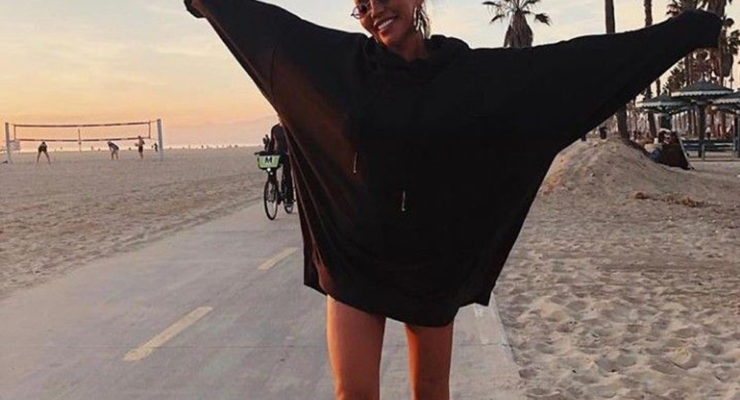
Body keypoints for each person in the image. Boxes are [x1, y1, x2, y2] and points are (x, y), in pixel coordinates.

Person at [185, 1, 720, 398]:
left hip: (431, 263)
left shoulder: (468, 77)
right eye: (362, 5)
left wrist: (686, 32)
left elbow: (573, 69)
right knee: (353, 394)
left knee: (430, 394)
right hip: (354, 258)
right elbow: (268, 35)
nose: (374, 10)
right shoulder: (339, 66)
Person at [268, 122, 294, 203]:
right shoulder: (275, 128)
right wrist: (268, 153)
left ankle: (289, 197)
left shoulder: (289, 127)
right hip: (277, 154)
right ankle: (274, 188)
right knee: (270, 170)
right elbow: (272, 142)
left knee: (287, 174)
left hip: (287, 155)